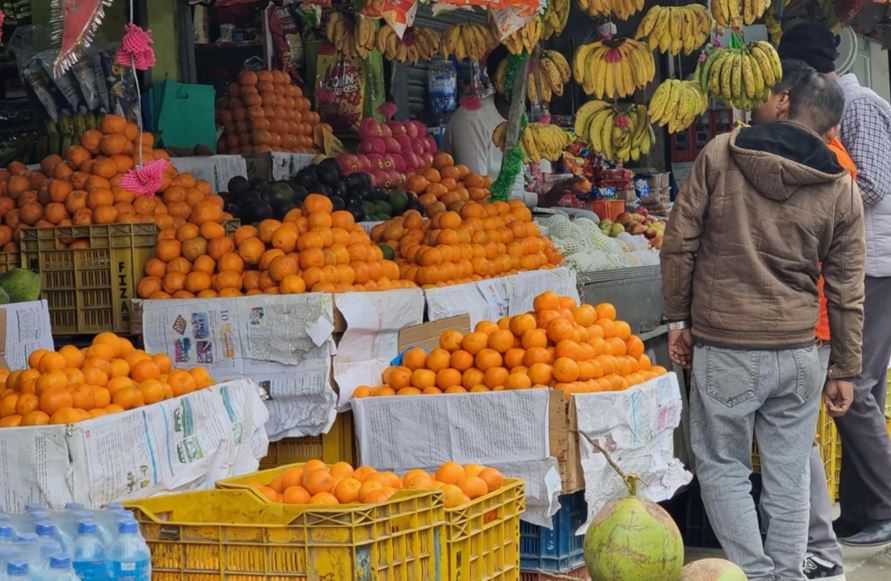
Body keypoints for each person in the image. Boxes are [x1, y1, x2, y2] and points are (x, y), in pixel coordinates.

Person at [662, 66, 865, 581]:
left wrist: (677, 319)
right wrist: (845, 366)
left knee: (724, 466)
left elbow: (679, 240)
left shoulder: (722, 154)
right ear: (831, 130)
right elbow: (846, 285)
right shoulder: (839, 185)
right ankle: (787, 577)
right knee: (789, 472)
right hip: (798, 352)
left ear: (781, 102)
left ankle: (752, 575)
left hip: (725, 345)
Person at [779, 20, 891, 548]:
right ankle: (866, 509)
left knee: (857, 390)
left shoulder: (856, 103)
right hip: (859, 260)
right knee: (864, 389)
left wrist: (812, 201)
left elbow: (870, 182)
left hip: (872, 263)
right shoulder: (835, 106)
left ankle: (886, 503)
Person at [752, 58, 856, 581]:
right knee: (793, 445)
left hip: (802, 325)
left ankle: (816, 553)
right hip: (806, 325)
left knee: (792, 449)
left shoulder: (825, 168)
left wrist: (843, 364)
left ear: (785, 101)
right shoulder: (829, 162)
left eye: (765, 95)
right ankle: (811, 553)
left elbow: (842, 274)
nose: (757, 104)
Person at [440, 45, 509, 177]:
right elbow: (477, 187)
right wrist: (536, 197)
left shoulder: (526, 120)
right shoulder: (472, 121)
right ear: (498, 80)